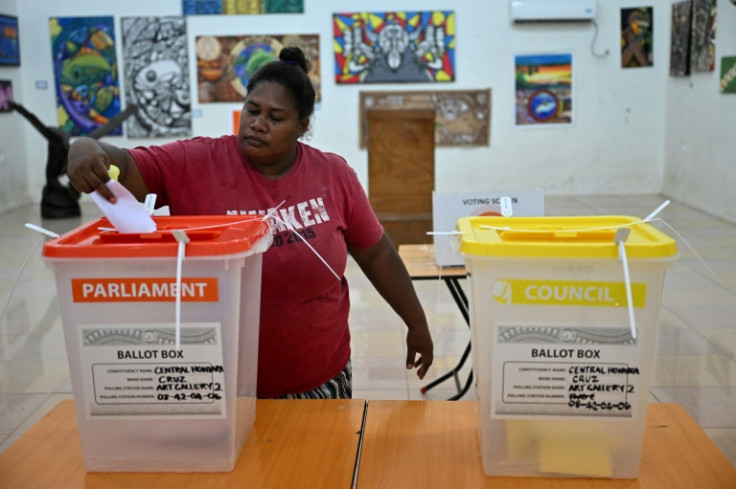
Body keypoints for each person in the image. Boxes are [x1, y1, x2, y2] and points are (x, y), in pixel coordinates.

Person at [67, 46, 434, 399]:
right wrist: (86, 146)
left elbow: (377, 255)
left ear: (302, 126)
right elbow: (128, 165)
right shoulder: (196, 163)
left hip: (320, 379)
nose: (258, 125)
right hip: (218, 382)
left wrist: (416, 322)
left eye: (276, 118)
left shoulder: (333, 175)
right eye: (252, 111)